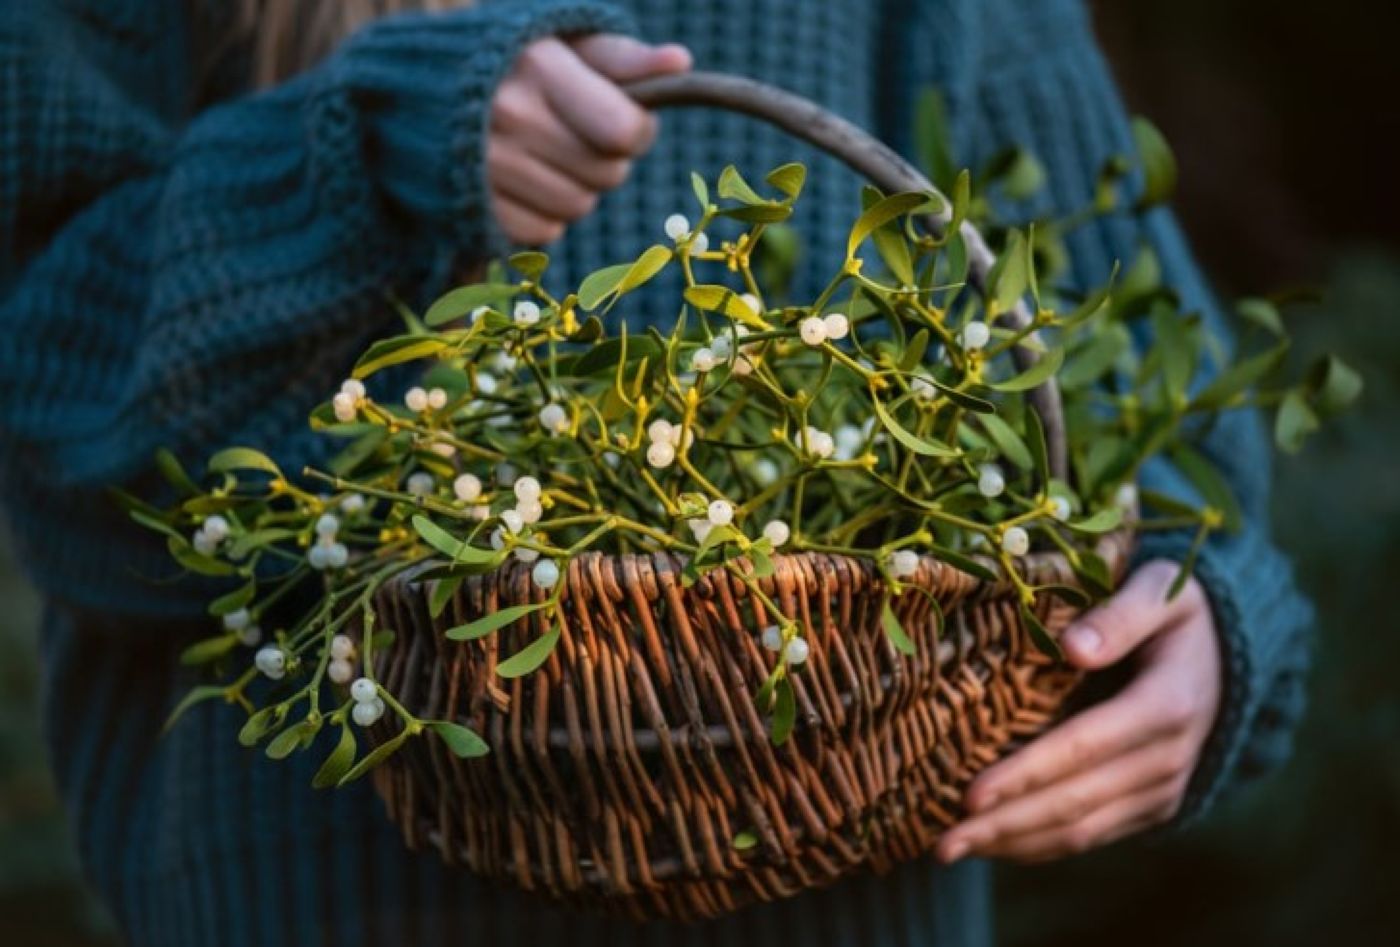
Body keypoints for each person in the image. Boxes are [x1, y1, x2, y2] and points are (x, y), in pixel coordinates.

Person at [0, 1, 1313, 945]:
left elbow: (1157, 450)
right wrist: (354, 161)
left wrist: (1194, 634)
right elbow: (53, 423)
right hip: (324, 904)